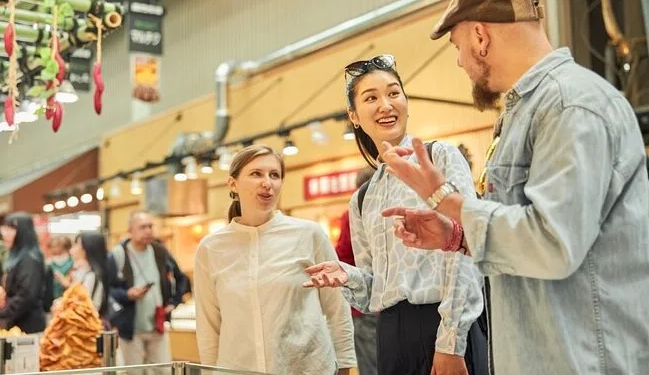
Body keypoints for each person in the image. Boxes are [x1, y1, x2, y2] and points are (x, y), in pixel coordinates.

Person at [380, 0, 649, 375]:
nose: (459, 61)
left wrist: (446, 200)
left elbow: (554, 243)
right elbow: (533, 235)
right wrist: (459, 237)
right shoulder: (529, 111)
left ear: (480, 37)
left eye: (457, 46)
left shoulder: (569, 105)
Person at [304, 55, 487, 375]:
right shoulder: (363, 198)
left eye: (393, 93)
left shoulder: (439, 157)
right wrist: (347, 276)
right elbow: (374, 291)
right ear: (353, 116)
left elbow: (465, 251)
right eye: (371, 98)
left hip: (443, 325)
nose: (385, 105)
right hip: (390, 336)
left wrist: (451, 342)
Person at [194, 145, 356, 375]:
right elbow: (208, 326)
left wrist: (346, 364)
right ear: (233, 184)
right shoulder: (211, 248)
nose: (267, 183)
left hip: (306, 368)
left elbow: (337, 307)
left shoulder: (309, 235)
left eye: (274, 175)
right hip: (238, 369)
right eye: (256, 174)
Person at [108, 210, 187, 372]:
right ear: (130, 230)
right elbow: (108, 289)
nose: (148, 231)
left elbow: (182, 278)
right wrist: (127, 295)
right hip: (130, 328)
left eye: (151, 226)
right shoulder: (118, 255)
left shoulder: (160, 251)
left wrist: (174, 302)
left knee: (163, 370)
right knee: (134, 372)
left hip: (157, 325)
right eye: (143, 227)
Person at [335, 167, 378, 375]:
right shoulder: (390, 209)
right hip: (393, 307)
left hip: (363, 304)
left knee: (371, 365)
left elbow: (342, 253)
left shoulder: (354, 212)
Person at [0, 212, 46, 334]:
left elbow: (26, 295)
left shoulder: (29, 259)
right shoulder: (18, 256)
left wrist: (2, 313)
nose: (5, 234)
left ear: (23, 232)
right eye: (5, 229)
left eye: (11, 229)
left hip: (29, 325)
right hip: (18, 322)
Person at [56, 232, 109, 317]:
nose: (72, 249)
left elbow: (82, 308)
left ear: (86, 250)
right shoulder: (81, 272)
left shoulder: (91, 276)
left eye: (76, 244)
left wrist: (61, 306)